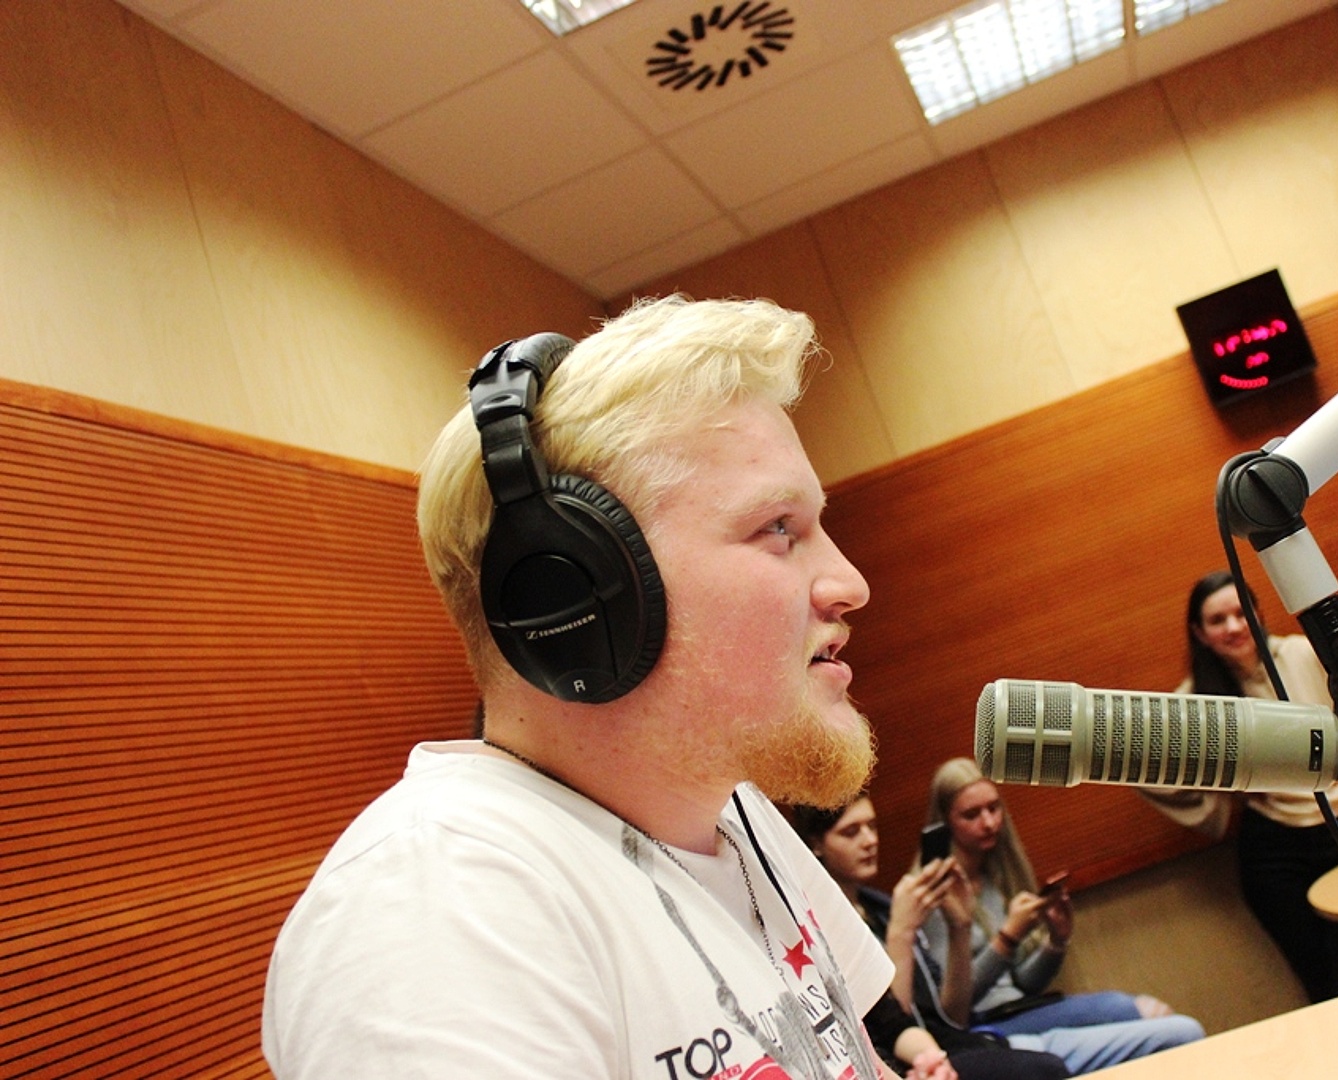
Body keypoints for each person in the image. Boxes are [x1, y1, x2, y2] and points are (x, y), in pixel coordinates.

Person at [261, 296, 902, 1079]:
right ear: (573, 600)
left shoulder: (733, 815)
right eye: (778, 528)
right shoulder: (437, 912)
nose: (849, 583)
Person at [1140, 569, 1338, 1002]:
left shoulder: (1304, 651)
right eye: (1217, 620)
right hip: (1274, 853)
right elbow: (1146, 766)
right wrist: (1225, 786)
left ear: (1258, 612)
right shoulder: (1197, 699)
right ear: (1200, 633)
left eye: (1241, 612)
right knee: (1325, 991)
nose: (1234, 627)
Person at [921, 758, 1204, 1055]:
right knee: (1145, 1014)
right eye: (971, 815)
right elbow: (952, 1009)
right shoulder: (935, 893)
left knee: (1156, 1013)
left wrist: (1055, 943)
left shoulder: (994, 878)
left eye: (993, 808)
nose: (989, 823)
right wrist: (1007, 938)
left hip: (1021, 1008)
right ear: (945, 822)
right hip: (984, 1027)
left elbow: (1023, 984)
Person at [793, 797, 1071, 1080]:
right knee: (1048, 1067)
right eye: (851, 832)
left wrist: (960, 926)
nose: (870, 841)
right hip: (913, 1060)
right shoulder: (828, 928)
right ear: (816, 844)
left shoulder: (880, 908)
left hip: (959, 1041)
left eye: (872, 826)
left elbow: (953, 1015)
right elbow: (892, 1024)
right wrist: (901, 933)